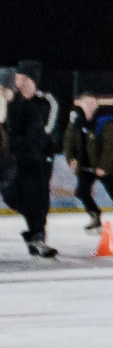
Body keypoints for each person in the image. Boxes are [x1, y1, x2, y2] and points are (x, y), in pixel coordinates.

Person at [6, 65, 62, 258]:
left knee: (39, 199)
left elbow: (42, 132)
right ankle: (34, 235)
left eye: (22, 79)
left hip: (38, 159)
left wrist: (14, 143)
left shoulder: (45, 102)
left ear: (32, 81)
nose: (18, 84)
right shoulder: (12, 103)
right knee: (13, 196)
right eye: (17, 80)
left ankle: (38, 236)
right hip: (14, 160)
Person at [64, 93, 113, 233]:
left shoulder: (105, 121)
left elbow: (111, 145)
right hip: (85, 164)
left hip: (103, 164)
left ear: (96, 104)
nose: (89, 105)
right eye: (86, 102)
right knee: (82, 192)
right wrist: (70, 158)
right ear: (81, 104)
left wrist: (103, 166)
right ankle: (94, 216)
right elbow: (68, 141)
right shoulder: (76, 121)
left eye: (92, 102)